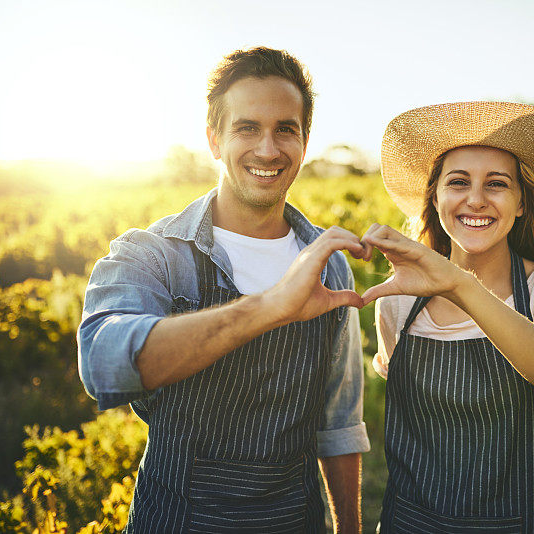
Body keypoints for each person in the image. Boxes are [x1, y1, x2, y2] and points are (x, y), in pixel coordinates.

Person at [77, 47, 370, 533]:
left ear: (305, 140)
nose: (268, 149)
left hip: (294, 522)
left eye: (285, 129)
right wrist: (270, 307)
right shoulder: (152, 254)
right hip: (174, 521)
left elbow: (338, 423)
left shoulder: (329, 263)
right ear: (214, 139)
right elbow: (103, 364)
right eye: (247, 128)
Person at [362, 102, 534, 533]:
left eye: (497, 184)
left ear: (521, 204)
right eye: (458, 182)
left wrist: (461, 286)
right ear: (434, 198)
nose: (475, 198)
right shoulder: (397, 303)